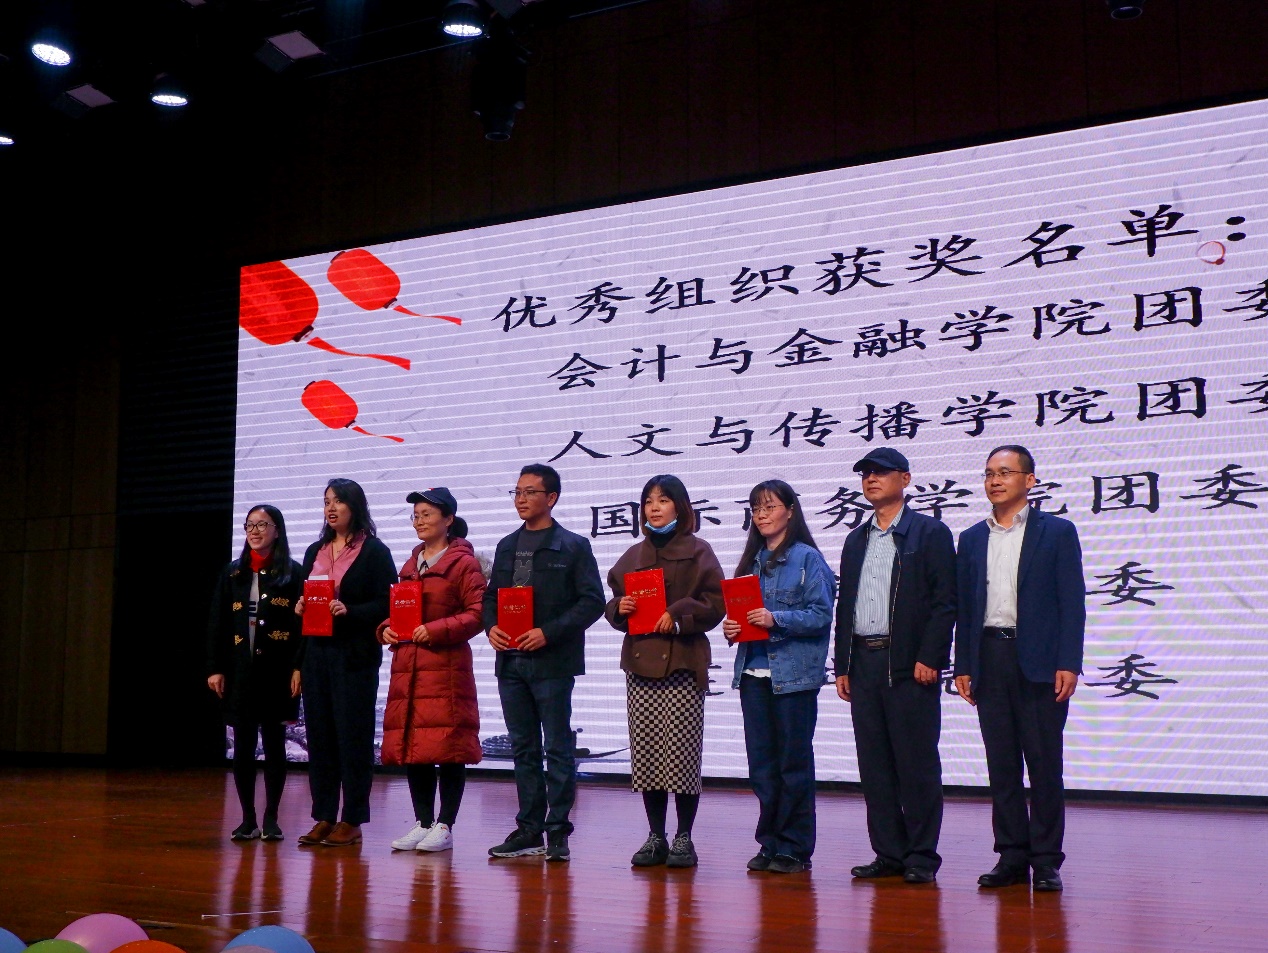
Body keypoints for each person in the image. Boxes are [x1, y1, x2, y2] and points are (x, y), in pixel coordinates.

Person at [953, 445, 1085, 892]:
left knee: (1044, 764)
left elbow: (1072, 602)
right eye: (989, 473)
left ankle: (1045, 860)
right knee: (1002, 765)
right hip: (990, 656)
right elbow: (966, 608)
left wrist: (1068, 661)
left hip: (1040, 662)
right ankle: (1011, 856)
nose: (994, 480)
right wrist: (964, 663)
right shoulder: (972, 538)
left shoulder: (1057, 532)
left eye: (1005, 472)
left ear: (1029, 480)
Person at [834, 447, 956, 884]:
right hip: (863, 662)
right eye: (865, 473)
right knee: (875, 765)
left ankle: (921, 857)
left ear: (905, 479)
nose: (871, 479)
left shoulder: (929, 533)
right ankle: (888, 853)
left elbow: (945, 603)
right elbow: (845, 605)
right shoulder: (856, 540)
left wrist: (930, 656)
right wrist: (842, 663)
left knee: (916, 764)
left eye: (881, 472)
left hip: (908, 665)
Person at [482, 463, 605, 862]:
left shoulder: (572, 546)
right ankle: (528, 829)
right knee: (523, 748)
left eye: (530, 492)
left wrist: (548, 632)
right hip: (511, 662)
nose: (521, 499)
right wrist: (491, 627)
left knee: (557, 746)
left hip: (552, 661)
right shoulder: (507, 545)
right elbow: (491, 597)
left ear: (551, 498)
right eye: (517, 492)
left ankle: (558, 832)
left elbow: (592, 601)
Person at [605, 475, 725, 868]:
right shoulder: (633, 555)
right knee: (648, 754)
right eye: (648, 501)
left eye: (663, 500)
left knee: (682, 755)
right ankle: (655, 835)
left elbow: (716, 603)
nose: (654, 507)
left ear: (681, 506)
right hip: (640, 664)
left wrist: (678, 616)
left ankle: (684, 836)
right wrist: (618, 608)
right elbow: (614, 602)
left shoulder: (699, 551)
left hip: (683, 663)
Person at [724, 479, 835, 875]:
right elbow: (744, 617)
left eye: (769, 507)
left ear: (790, 510)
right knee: (762, 767)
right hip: (753, 674)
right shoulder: (751, 562)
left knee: (793, 765)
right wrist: (733, 628)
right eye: (756, 509)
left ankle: (794, 847)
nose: (761, 515)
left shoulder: (807, 559)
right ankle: (769, 843)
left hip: (793, 677)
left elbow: (821, 614)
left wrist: (776, 619)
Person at [378, 487, 486, 853]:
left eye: (427, 514)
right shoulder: (411, 565)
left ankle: (445, 825)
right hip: (409, 667)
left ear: (448, 519)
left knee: (448, 747)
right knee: (415, 746)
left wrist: (436, 630)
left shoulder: (463, 564)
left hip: (446, 669)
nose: (419, 521)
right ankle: (423, 822)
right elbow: (400, 613)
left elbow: (478, 613)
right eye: (416, 515)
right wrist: (386, 629)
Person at [294, 478, 396, 847]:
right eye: (326, 502)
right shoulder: (315, 550)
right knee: (319, 737)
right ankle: (323, 816)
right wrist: (301, 606)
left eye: (338, 501)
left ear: (355, 506)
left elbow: (388, 603)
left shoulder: (374, 552)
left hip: (354, 656)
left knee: (352, 738)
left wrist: (350, 610)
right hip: (317, 655)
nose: (331, 508)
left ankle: (352, 819)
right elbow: (306, 597)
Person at [207, 505, 304, 841]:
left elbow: (302, 627)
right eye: (250, 525)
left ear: (277, 530)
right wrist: (215, 667)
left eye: (262, 525)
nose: (255, 531)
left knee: (275, 743)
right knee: (243, 745)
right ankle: (248, 819)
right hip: (239, 673)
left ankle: (271, 818)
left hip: (277, 673)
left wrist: (298, 667)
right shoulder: (233, 572)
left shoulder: (293, 573)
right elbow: (217, 622)